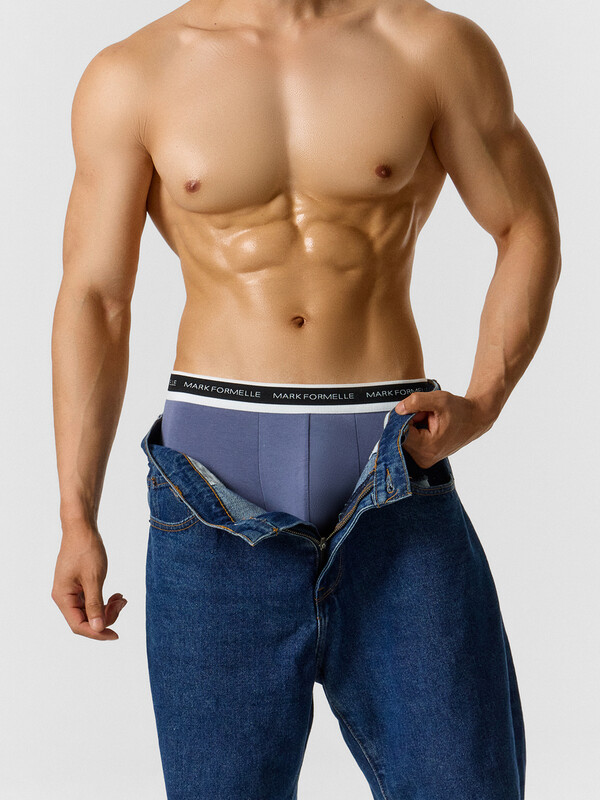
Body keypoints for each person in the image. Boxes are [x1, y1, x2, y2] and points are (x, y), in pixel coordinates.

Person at [51, 1, 561, 798]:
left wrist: (487, 399)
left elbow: (525, 223)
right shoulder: (134, 74)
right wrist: (75, 515)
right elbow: (95, 298)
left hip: (394, 477)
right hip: (212, 496)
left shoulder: (430, 46)